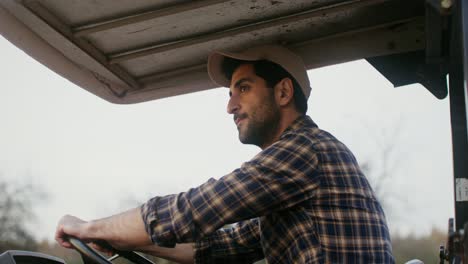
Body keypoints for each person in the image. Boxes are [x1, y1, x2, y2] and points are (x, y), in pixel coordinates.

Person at [56, 45, 394, 263]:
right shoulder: (291, 182)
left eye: (243, 89)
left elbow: (195, 210)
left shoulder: (306, 150)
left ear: (283, 92)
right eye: (231, 93)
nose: (230, 106)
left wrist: (91, 229)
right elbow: (215, 247)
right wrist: (126, 242)